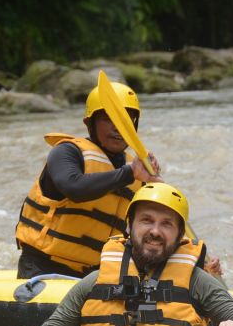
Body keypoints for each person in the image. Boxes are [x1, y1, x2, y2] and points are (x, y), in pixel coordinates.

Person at [12, 183, 233, 326]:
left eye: (166, 224)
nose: (155, 231)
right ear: (129, 227)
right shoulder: (95, 281)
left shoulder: (198, 281)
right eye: (146, 221)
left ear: (180, 234)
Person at [14, 81, 163, 278]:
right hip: (43, 268)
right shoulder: (67, 152)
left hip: (95, 275)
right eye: (108, 119)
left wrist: (197, 260)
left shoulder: (138, 173)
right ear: (88, 123)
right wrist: (129, 174)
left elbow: (157, 230)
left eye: (127, 120)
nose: (118, 128)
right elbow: (74, 187)